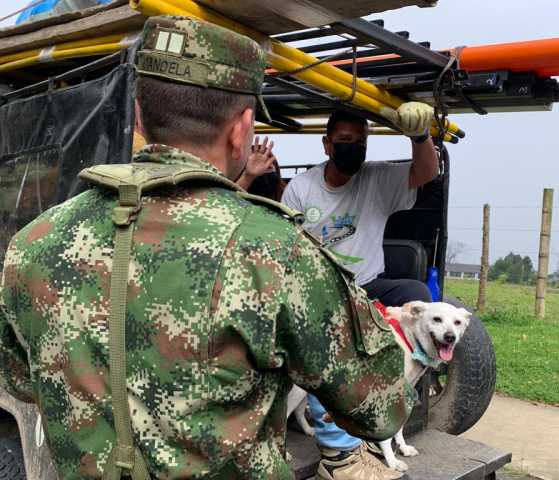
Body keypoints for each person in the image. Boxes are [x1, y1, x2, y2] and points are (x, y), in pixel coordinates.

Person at [0, 16, 415, 480]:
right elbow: (381, 406)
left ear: (139, 117)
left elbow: (21, 379)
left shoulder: (33, 243)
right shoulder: (276, 252)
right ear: (241, 128)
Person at [281, 108, 440, 476]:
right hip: (319, 289)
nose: (353, 150)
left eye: (361, 143)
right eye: (345, 143)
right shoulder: (302, 188)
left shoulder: (377, 178)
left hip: (368, 285)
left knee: (418, 292)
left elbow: (426, 172)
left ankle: (399, 386)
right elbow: (287, 247)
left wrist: (420, 137)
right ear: (327, 144)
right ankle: (339, 447)